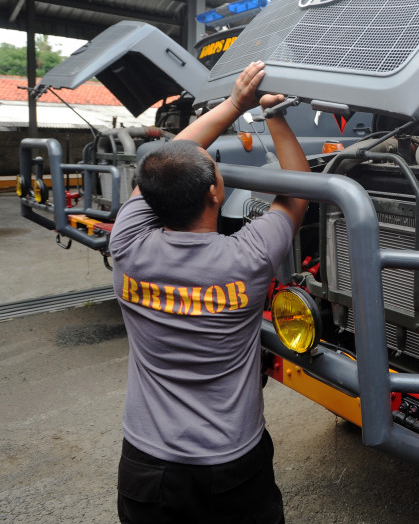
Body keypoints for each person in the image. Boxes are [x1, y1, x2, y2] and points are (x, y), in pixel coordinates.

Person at [109, 60, 309, 524]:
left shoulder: (127, 243)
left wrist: (234, 103)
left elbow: (176, 153)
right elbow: (298, 189)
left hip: (147, 463)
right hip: (232, 462)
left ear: (148, 199)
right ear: (215, 194)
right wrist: (271, 114)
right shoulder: (249, 257)